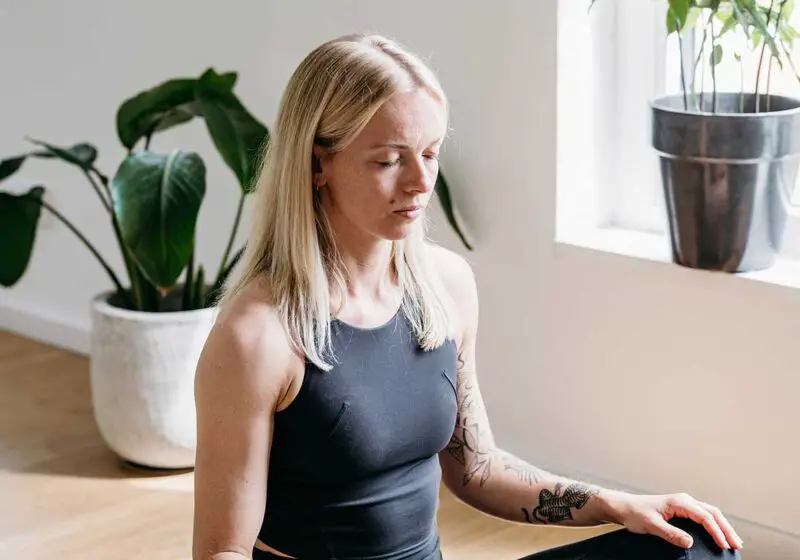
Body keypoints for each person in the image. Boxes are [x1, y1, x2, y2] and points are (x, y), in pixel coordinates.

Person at [191, 33, 744, 560]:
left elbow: (476, 469)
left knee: (694, 544)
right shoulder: (258, 336)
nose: (419, 182)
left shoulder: (444, 286)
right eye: (388, 160)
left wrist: (615, 504)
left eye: (430, 153)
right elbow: (223, 550)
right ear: (317, 164)